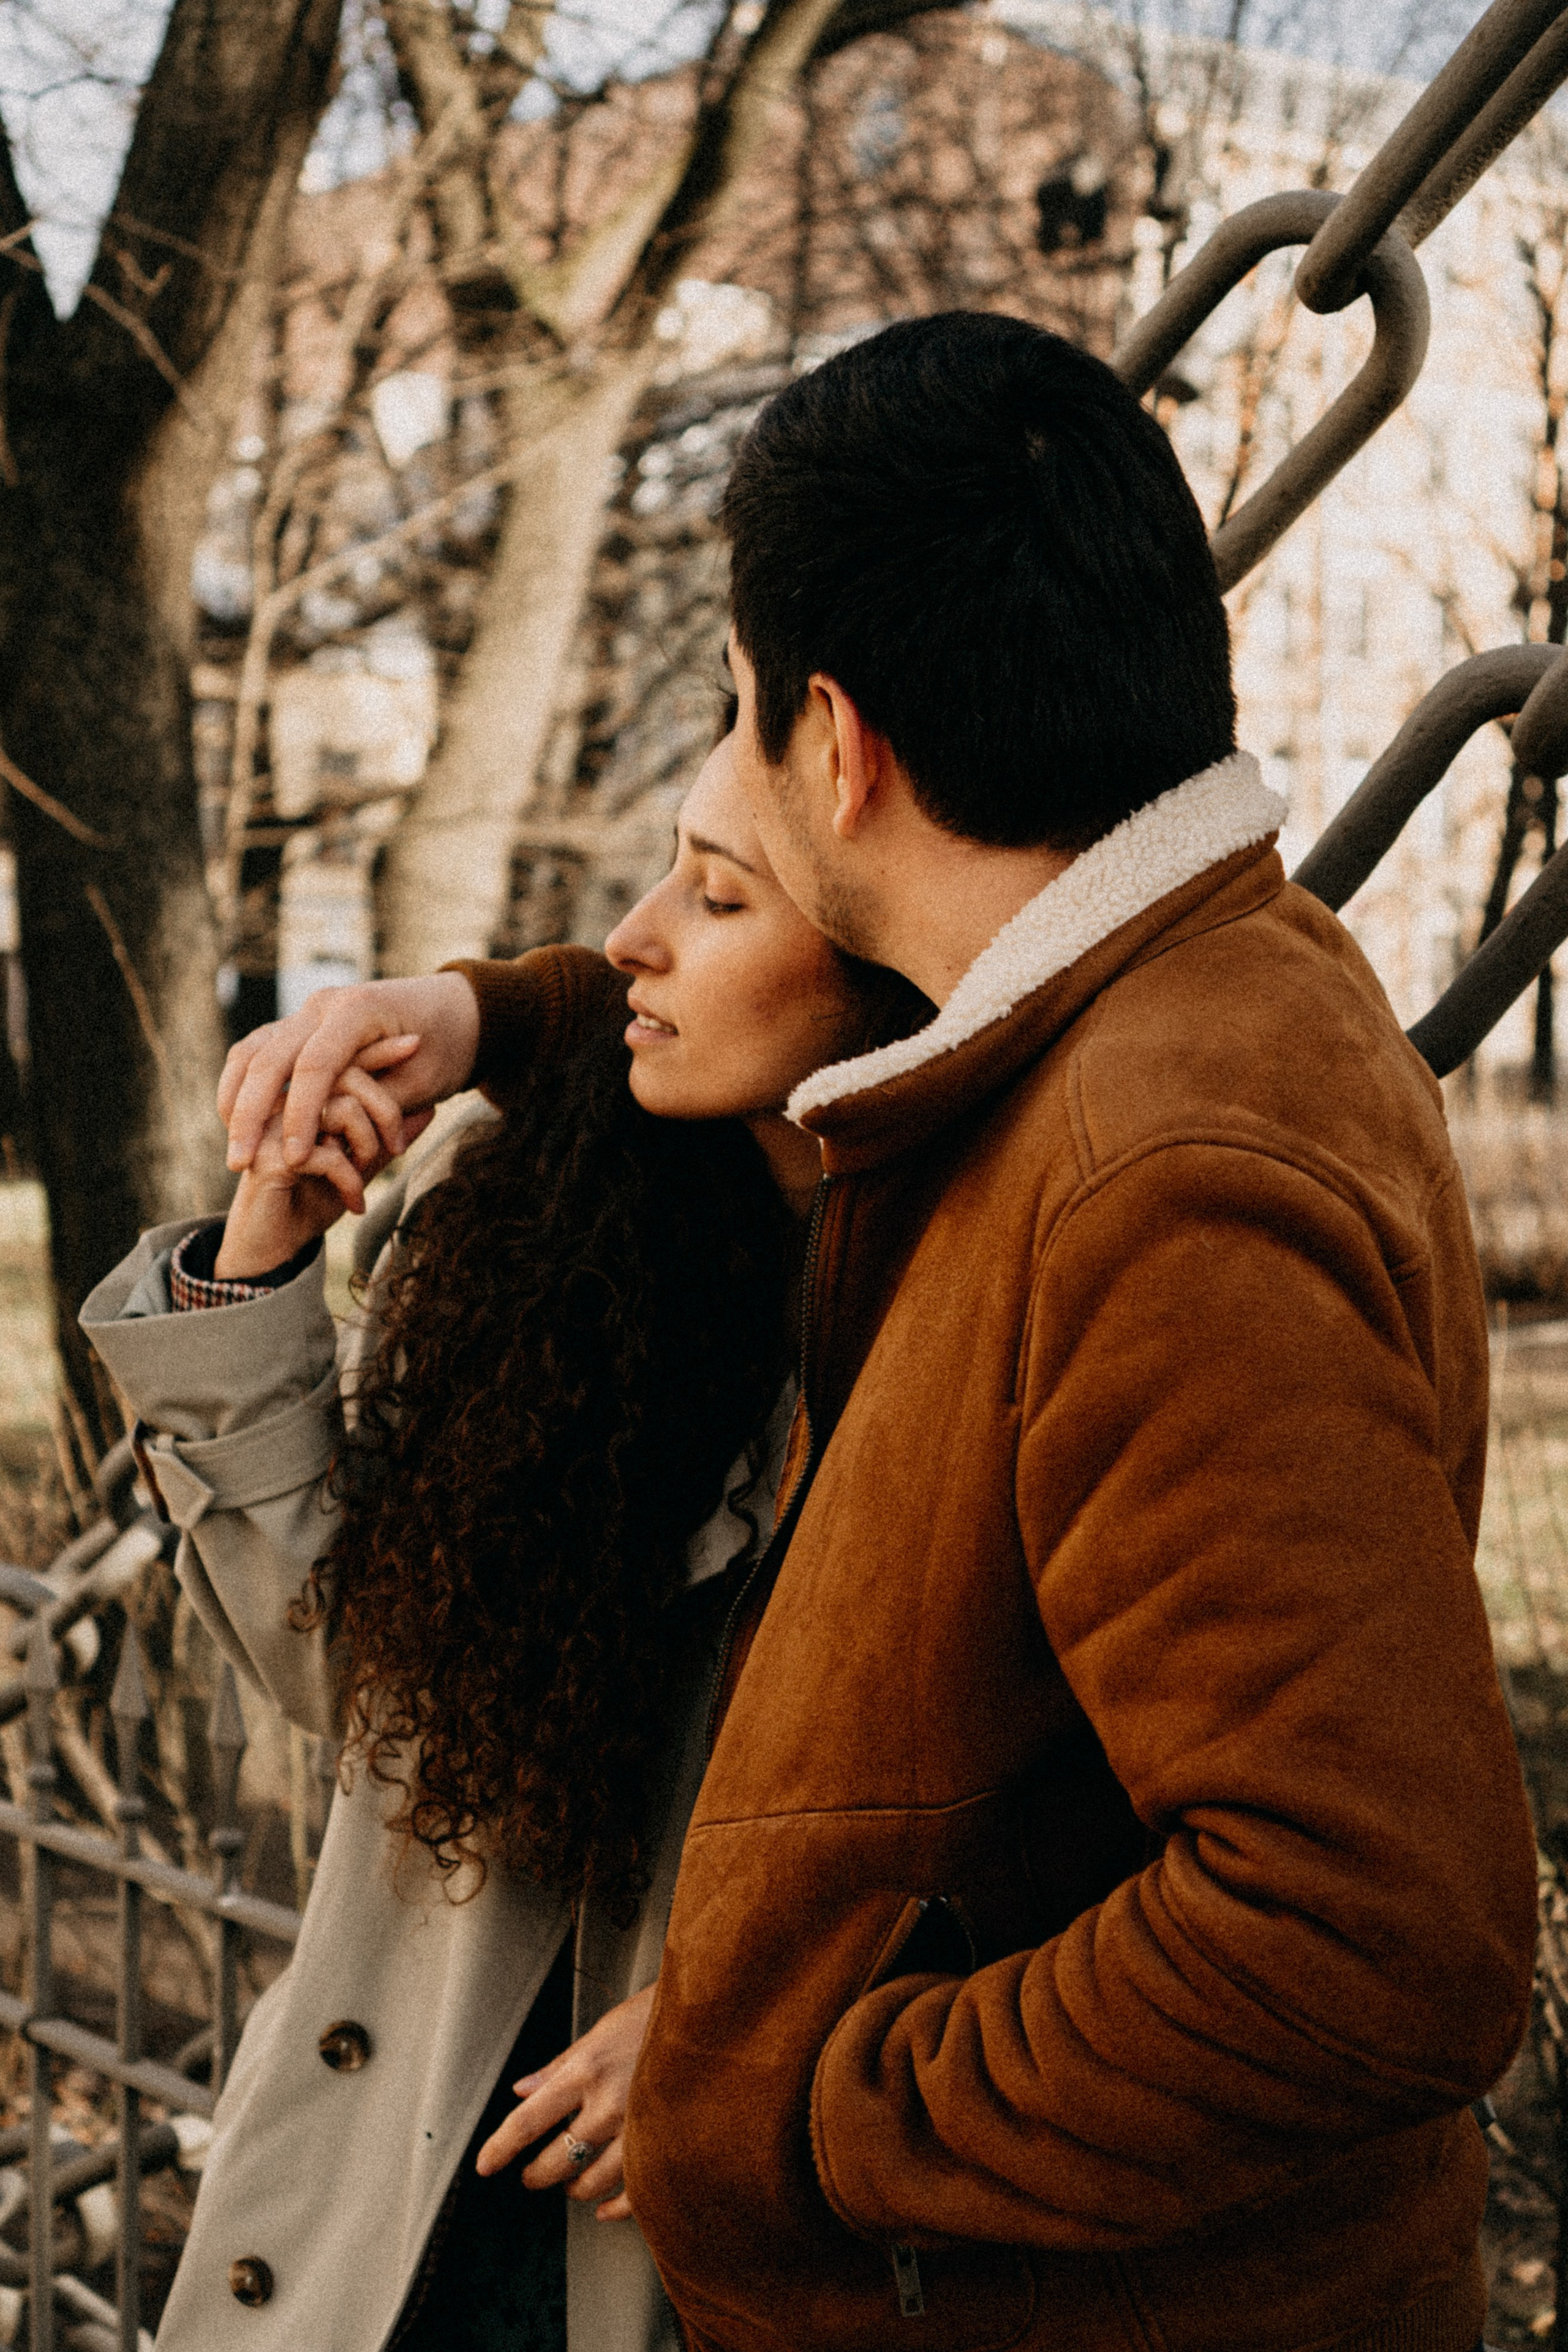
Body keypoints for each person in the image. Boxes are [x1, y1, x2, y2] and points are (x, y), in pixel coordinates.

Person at [233, 312, 1537, 2352]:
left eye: (746, 720)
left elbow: (1376, 1941)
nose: (735, 791)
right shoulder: (1157, 999)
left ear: (837, 743)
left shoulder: (1154, 1167)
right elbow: (810, 1015)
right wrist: (502, 1016)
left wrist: (789, 2097)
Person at [81, 734, 925, 2352]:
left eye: (720, 892)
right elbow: (361, 1678)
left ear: (892, 959)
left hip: (712, 2239)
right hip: (386, 2199)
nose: (634, 937)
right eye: (664, 868)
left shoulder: (987, 1310)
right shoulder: (540, 1210)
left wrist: (761, 2029)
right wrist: (258, 1265)